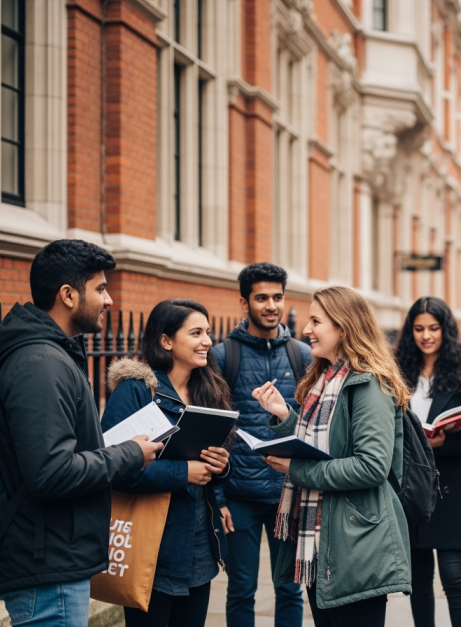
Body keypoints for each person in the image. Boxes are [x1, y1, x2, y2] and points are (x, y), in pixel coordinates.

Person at [0, 239, 162, 627]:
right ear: (68, 295)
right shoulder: (41, 363)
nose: (109, 300)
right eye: (101, 288)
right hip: (48, 565)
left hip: (55, 557)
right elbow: (50, 471)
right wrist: (128, 453)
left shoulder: (53, 354)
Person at [253, 286, 411, 627]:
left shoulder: (368, 384)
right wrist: (285, 418)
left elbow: (371, 467)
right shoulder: (324, 381)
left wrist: (298, 471)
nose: (306, 329)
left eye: (315, 321)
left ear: (343, 326)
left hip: (356, 545)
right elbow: (324, 447)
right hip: (324, 540)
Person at [102, 299, 233, 627]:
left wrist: (219, 466)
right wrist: (183, 472)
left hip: (200, 544)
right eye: (196, 333)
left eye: (208, 332)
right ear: (166, 341)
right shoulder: (136, 392)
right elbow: (111, 467)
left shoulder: (208, 390)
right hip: (153, 546)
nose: (208, 340)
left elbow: (209, 468)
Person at [210, 263, 308, 627]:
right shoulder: (223, 356)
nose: (271, 305)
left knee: (289, 589)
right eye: (262, 297)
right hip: (240, 495)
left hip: (289, 491)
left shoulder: (302, 355)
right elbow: (213, 433)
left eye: (277, 297)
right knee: (240, 591)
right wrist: (219, 499)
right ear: (244, 302)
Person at [394, 297, 461, 627]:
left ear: (445, 330)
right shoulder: (398, 372)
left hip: (452, 487)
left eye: (433, 328)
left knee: (454, 578)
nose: (426, 336)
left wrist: (446, 441)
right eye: (419, 329)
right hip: (411, 488)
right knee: (418, 582)